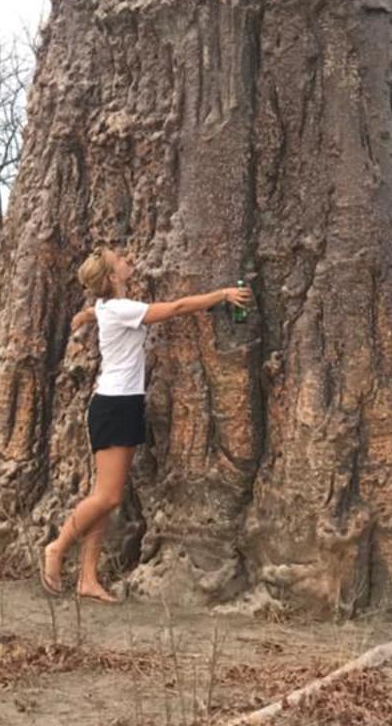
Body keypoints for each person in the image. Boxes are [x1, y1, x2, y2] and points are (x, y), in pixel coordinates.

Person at [41, 248, 250, 602]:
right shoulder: (123, 309)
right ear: (111, 277)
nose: (126, 259)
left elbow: (102, 311)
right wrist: (222, 295)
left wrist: (88, 315)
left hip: (117, 404)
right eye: (119, 259)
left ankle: (87, 579)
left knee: (106, 497)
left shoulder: (110, 308)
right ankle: (56, 547)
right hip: (114, 406)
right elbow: (177, 309)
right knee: (106, 496)